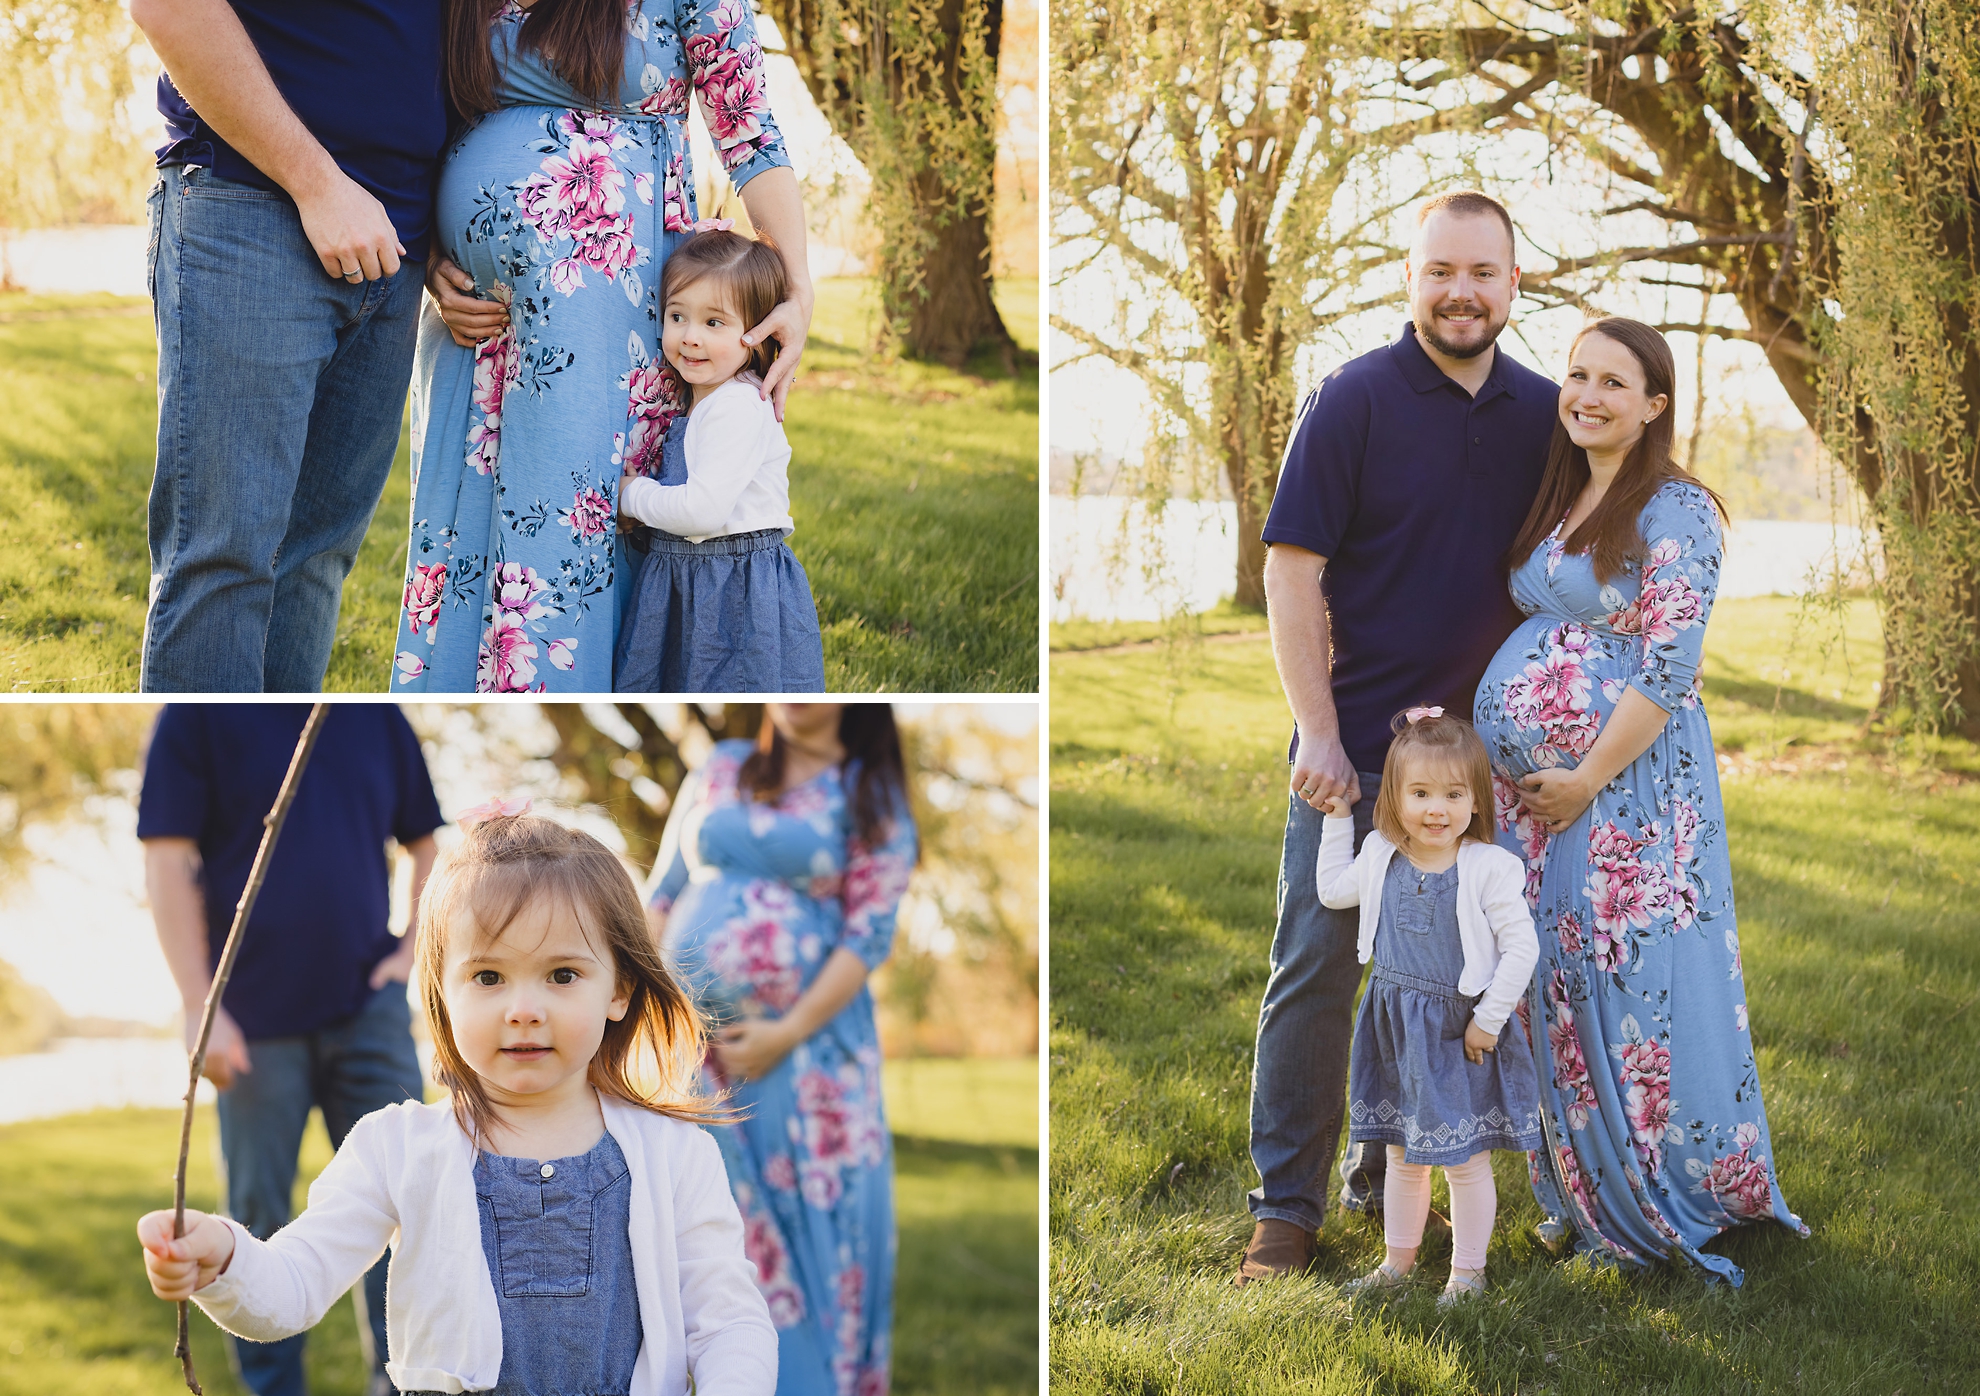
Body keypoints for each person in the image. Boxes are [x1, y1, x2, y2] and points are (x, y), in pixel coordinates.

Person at [138, 810, 778, 1396]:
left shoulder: (675, 1155)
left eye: (562, 975)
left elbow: (728, 1322)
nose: (523, 1010)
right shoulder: (399, 1149)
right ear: (442, 993)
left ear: (618, 990)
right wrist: (222, 1256)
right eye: (488, 977)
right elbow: (294, 1285)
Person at [1240, 189, 1558, 1284]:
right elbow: (1291, 570)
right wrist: (1317, 735)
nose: (1460, 292)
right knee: (1319, 971)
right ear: (1409, 279)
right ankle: (1286, 1211)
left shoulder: (1551, 414)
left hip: (1492, 770)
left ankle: (1408, 1175)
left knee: (1466, 979)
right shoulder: (1354, 399)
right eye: (1440, 271)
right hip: (1363, 758)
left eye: (1483, 272)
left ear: (1516, 283)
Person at [1473, 316, 1808, 1283]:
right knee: (1548, 983)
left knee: (1621, 984)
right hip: (1542, 801)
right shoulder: (1569, 491)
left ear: (1655, 404)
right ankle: (1572, 1188)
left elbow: (1669, 669)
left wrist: (1583, 777)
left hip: (1625, 796)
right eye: (1576, 375)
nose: (1586, 394)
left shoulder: (1678, 509)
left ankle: (1654, 1186)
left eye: (1613, 382)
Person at [391, 0, 814, 694]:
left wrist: (796, 286)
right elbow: (422, 110)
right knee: (461, 527)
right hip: (473, 322)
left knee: (565, 540)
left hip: (602, 302)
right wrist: (434, 250)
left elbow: (749, 131)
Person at [129, 0, 449, 692]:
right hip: (252, 207)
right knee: (225, 557)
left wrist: (447, 231)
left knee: (315, 560)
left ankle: (274, 793)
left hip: (398, 242)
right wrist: (317, 185)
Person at [139, 704, 444, 1396]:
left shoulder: (374, 717)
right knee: (254, 1219)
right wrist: (200, 1006)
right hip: (249, 1020)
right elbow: (166, 855)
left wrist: (409, 951)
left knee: (410, 1210)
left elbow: (426, 845)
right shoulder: (196, 716)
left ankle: (401, 1386)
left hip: (367, 1011)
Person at [644, 704, 917, 1394]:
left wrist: (785, 1031)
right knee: (718, 1235)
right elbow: (663, 895)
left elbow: (868, 933)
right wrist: (651, 1012)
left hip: (812, 1062)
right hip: (695, 1058)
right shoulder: (723, 764)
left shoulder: (869, 791)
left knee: (821, 1238)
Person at [1315, 709, 1541, 1305]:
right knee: (1400, 1154)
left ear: (1476, 799)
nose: (1436, 809)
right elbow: (1332, 892)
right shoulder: (1381, 854)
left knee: (1463, 1160)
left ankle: (1468, 1273)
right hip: (1394, 1029)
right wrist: (1339, 821)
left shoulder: (1488, 868)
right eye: (1420, 793)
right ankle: (1398, 1261)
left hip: (1456, 1034)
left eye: (1453, 794)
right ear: (1395, 796)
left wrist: (1488, 1022)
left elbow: (1523, 948)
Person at [614, 228, 826, 692]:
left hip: (731, 587)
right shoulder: (702, 399)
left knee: (729, 683)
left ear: (756, 333)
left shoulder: (736, 405)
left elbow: (703, 513)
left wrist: (631, 496)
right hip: (692, 575)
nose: (690, 337)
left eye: (714, 323)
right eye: (677, 316)